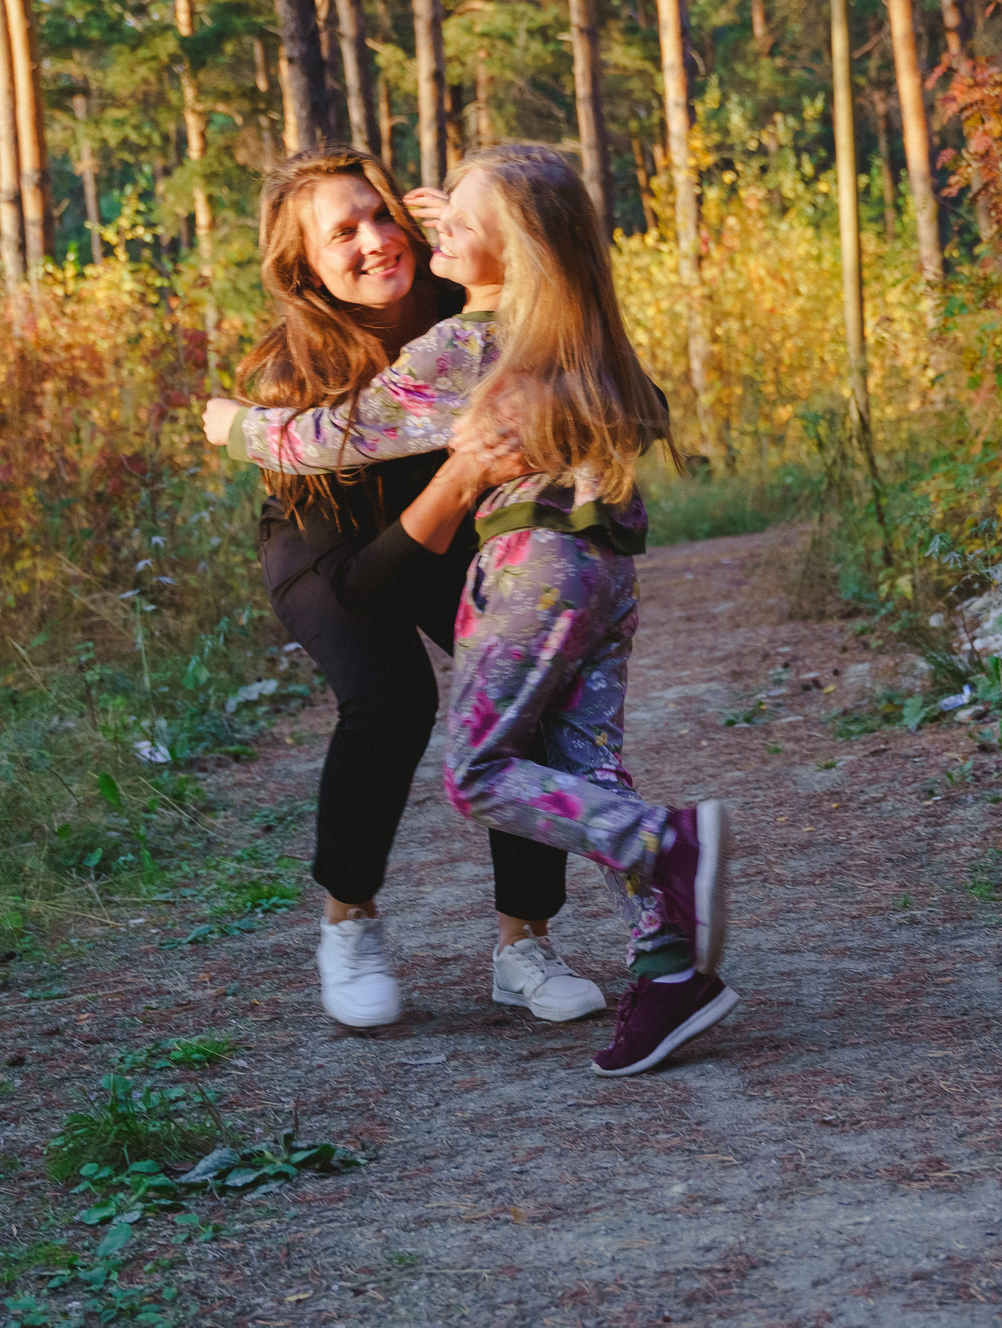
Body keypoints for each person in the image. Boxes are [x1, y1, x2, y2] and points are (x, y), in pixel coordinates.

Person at [205, 143, 738, 1077]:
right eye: (345, 230)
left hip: (512, 542)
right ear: (303, 266)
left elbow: (358, 430)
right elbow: (352, 525)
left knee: (503, 751)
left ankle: (533, 938)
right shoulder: (306, 359)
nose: (379, 237)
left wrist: (229, 424)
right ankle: (351, 921)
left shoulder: (469, 317)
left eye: (386, 214)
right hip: (334, 534)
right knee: (392, 699)